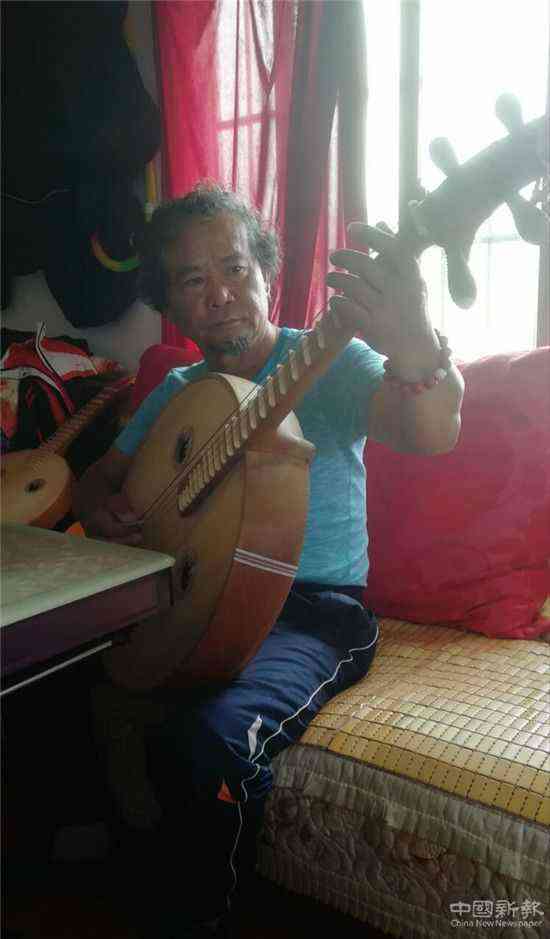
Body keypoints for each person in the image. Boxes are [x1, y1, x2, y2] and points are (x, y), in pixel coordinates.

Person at [73, 184, 464, 938]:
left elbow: (429, 431)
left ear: (265, 272)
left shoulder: (329, 362)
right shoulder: (177, 391)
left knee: (219, 738)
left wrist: (414, 335)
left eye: (234, 268)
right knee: (78, 680)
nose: (219, 294)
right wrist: (101, 511)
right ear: (171, 303)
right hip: (193, 597)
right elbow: (100, 479)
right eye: (192, 279)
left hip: (316, 613)